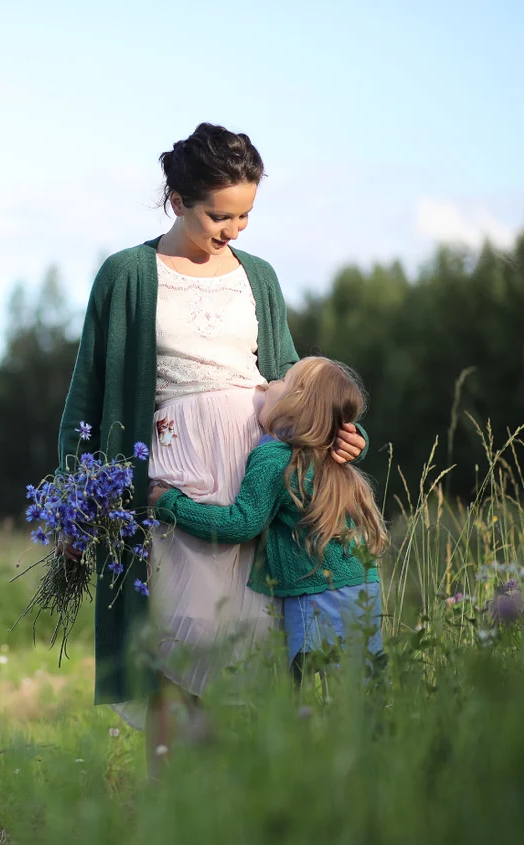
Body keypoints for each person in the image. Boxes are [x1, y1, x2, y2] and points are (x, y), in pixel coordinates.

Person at [56, 123, 368, 777]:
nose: (233, 228)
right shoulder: (127, 275)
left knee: (251, 640)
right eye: (218, 215)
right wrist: (75, 507)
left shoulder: (259, 277)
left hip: (256, 474)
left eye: (245, 215)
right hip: (172, 474)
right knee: (176, 638)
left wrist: (335, 438)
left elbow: (291, 377)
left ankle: (232, 801)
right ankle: (169, 800)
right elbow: (89, 394)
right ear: (177, 200)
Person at [149, 356, 388, 688]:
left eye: (285, 380)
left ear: (296, 405)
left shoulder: (274, 459)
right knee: (363, 691)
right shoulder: (322, 454)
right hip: (362, 586)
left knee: (299, 691)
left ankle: (305, 739)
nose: (271, 383)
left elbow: (240, 524)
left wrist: (168, 502)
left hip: (314, 595)